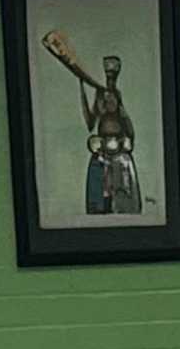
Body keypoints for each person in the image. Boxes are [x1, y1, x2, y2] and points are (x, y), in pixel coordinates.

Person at [46, 34, 140, 216]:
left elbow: (126, 122)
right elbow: (90, 122)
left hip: (118, 148)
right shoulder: (100, 98)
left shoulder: (116, 99)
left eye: (112, 72)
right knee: (99, 177)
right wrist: (81, 87)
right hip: (102, 148)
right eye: (108, 72)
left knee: (123, 177)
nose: (110, 76)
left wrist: (127, 139)